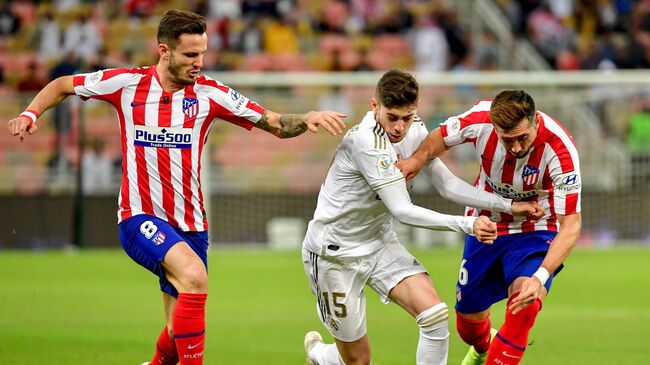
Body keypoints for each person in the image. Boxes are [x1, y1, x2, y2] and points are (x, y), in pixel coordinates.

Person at [7, 9, 346, 365]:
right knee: (195, 278)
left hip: (192, 226)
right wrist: (31, 113)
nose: (199, 62)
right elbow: (63, 85)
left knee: (175, 329)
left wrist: (305, 118)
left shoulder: (211, 94)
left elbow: (274, 123)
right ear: (163, 51)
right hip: (140, 216)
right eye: (189, 55)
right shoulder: (126, 84)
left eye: (202, 53)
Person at [302, 70, 543, 365]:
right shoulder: (366, 143)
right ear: (374, 106)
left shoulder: (415, 129)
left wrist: (507, 205)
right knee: (358, 361)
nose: (400, 126)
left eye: (407, 116)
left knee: (434, 315)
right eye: (392, 117)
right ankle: (320, 355)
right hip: (334, 254)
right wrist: (467, 224)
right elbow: (402, 210)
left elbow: (447, 184)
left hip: (379, 244)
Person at [397, 90, 582, 365]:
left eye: (523, 137)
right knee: (468, 328)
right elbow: (441, 136)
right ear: (495, 128)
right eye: (508, 140)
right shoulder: (479, 118)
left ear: (535, 122)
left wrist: (539, 277)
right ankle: (484, 347)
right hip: (486, 225)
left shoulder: (560, 150)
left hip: (536, 229)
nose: (517, 147)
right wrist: (417, 158)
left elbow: (571, 226)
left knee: (524, 306)